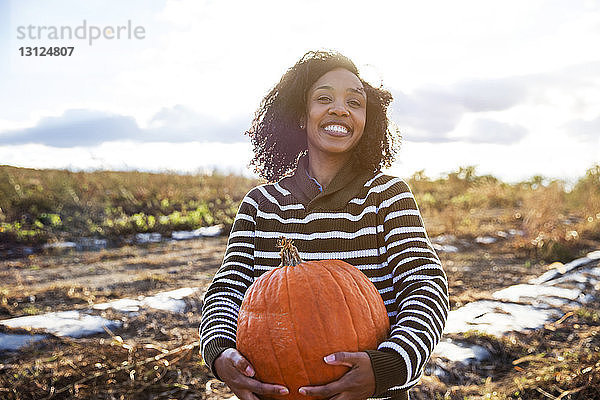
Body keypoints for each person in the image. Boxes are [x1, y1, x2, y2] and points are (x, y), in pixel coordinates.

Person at [200, 50, 449, 400]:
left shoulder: (387, 196)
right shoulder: (261, 205)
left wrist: (389, 365)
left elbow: (425, 288)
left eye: (355, 102)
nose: (340, 109)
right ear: (301, 116)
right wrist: (221, 353)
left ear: (367, 120)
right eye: (323, 98)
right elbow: (227, 291)